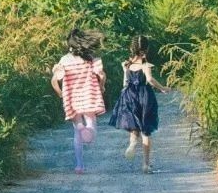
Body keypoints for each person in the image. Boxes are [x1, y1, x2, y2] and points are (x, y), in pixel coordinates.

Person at [107, 35, 170, 174]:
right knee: (146, 131)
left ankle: (132, 143)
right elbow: (150, 79)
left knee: (134, 127)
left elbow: (125, 83)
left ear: (132, 48)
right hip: (144, 96)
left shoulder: (127, 64)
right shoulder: (145, 65)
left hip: (129, 95)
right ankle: (146, 165)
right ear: (146, 49)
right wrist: (162, 88)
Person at [50, 28, 107, 174]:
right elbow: (101, 76)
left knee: (76, 133)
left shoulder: (64, 61)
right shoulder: (90, 60)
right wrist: (101, 87)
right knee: (92, 126)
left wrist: (60, 94)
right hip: (89, 96)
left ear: (69, 45)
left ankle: (79, 165)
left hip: (72, 98)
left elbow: (55, 81)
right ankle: (86, 131)